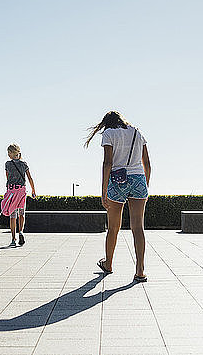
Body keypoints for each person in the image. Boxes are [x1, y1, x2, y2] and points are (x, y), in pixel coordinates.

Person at [85, 111, 151, 282]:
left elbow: (108, 163)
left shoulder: (109, 133)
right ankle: (140, 270)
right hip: (139, 179)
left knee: (113, 227)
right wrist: (145, 185)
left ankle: (108, 263)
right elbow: (147, 164)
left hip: (117, 180)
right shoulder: (137, 132)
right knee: (138, 226)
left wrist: (104, 190)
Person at [2, 144, 36, 247]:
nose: (8, 155)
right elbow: (30, 178)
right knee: (22, 213)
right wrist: (33, 190)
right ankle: (21, 231)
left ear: (12, 153)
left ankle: (13, 239)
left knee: (12, 215)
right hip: (22, 191)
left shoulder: (8, 164)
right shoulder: (24, 164)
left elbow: (7, 178)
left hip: (12, 191)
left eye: (9, 153)